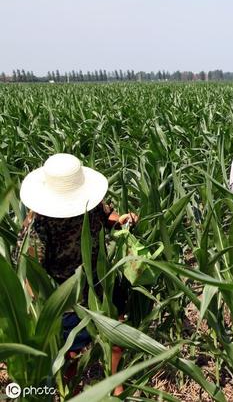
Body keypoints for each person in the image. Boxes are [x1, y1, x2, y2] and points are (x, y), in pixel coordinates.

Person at [13, 153, 138, 396]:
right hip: (64, 292)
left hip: (98, 277)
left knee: (116, 328)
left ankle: (116, 387)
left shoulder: (91, 203)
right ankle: (67, 389)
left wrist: (123, 220)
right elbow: (28, 272)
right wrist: (39, 312)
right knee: (70, 350)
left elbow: (106, 215)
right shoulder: (38, 225)